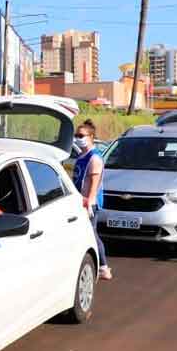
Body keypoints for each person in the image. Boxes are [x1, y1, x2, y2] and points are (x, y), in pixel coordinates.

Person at [72, 119, 112, 280]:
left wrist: (89, 202)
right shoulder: (82, 156)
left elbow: (94, 184)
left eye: (81, 135)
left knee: (92, 235)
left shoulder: (94, 158)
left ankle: (103, 267)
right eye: (76, 135)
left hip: (90, 204)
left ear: (91, 137)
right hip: (79, 202)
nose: (78, 138)